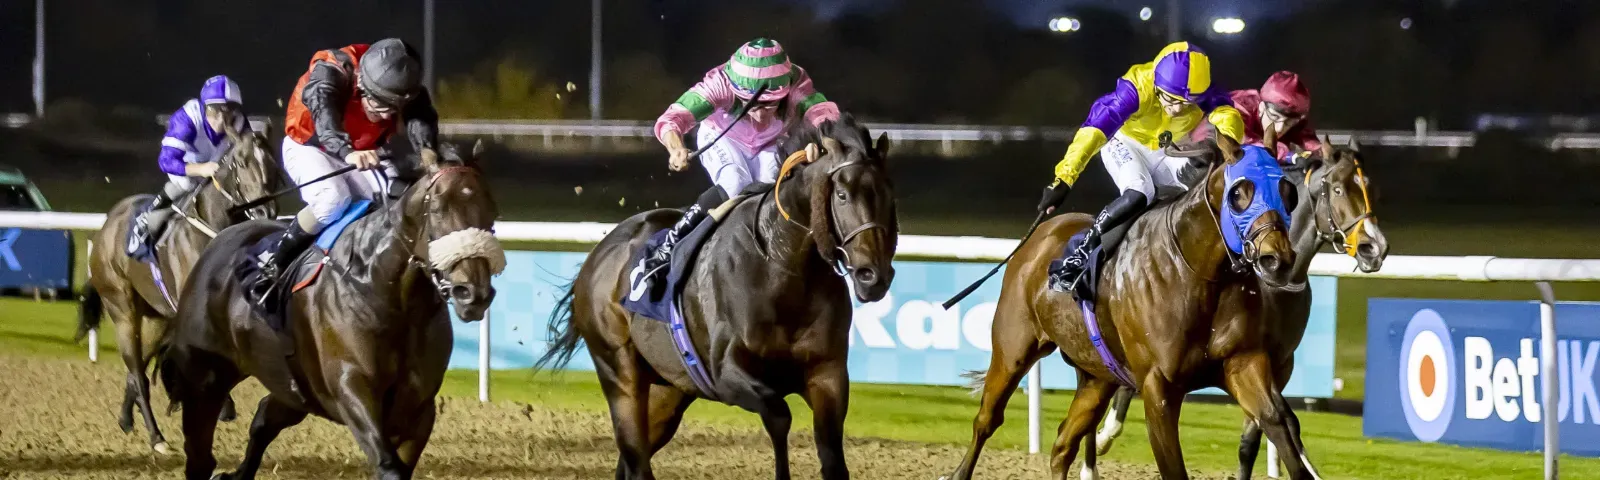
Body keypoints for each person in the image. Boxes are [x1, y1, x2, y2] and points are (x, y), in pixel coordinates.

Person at [632, 38, 840, 292]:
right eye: (753, 104)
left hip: (772, 142)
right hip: (722, 137)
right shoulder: (718, 84)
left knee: (772, 190)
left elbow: (823, 112)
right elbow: (672, 119)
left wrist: (822, 139)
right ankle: (668, 248)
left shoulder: (796, 81)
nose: (762, 114)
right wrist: (676, 149)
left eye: (770, 104)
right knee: (735, 182)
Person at [1036, 42, 1247, 292]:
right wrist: (1064, 179)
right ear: (1157, 85)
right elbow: (1093, 132)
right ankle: (1079, 254)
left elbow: (1228, 116)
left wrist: (1221, 142)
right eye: (1171, 99)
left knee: (1205, 183)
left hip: (1166, 148)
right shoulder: (1136, 88)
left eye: (1188, 102)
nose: (1178, 108)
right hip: (1123, 142)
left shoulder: (1206, 90)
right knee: (1140, 192)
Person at [251, 38, 440, 299]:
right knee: (333, 199)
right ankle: (274, 263)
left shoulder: (401, 82)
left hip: (360, 151)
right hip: (309, 146)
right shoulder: (331, 71)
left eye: (395, 110)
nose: (387, 117)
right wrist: (347, 152)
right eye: (381, 106)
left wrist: (428, 151)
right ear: (362, 85)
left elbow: (422, 116)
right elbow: (324, 117)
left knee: (399, 198)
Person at [126, 75, 250, 255]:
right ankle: (146, 220)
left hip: (217, 168)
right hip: (187, 167)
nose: (222, 120)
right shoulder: (188, 118)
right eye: (216, 111)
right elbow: (166, 161)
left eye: (229, 111)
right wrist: (200, 169)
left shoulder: (240, 122)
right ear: (206, 108)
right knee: (185, 185)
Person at [1194, 70, 1321, 164]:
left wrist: (1323, 153)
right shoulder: (1238, 108)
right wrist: (1290, 156)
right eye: (1275, 118)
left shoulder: (1293, 120)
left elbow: (1309, 140)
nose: (1280, 128)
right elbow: (1248, 144)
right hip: (1202, 156)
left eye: (1288, 123)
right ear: (1261, 108)